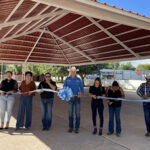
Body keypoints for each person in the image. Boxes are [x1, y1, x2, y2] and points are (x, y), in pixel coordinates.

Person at [64, 66, 84, 133]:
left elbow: (82, 88)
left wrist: (81, 93)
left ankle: (77, 128)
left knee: (77, 114)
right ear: (70, 72)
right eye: (72, 71)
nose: (73, 72)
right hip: (70, 98)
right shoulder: (67, 79)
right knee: (70, 113)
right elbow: (64, 88)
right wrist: (67, 93)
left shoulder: (78, 79)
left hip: (77, 98)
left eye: (74, 71)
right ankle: (71, 127)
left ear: (75, 72)